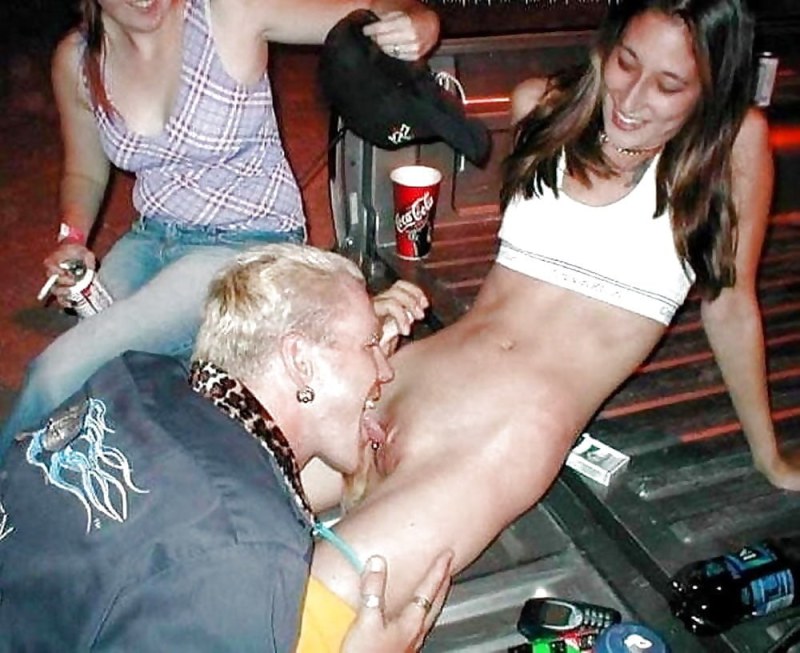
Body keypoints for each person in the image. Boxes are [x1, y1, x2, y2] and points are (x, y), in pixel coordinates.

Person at [303, 0, 800, 623]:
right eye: (626, 63)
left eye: (669, 85)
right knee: (216, 497)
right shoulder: (543, 106)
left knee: (314, 606)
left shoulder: (732, 145)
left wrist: (768, 457)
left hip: (501, 437)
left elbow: (730, 306)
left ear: (712, 88)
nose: (633, 99)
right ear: (607, 47)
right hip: (406, 377)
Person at [0, 0, 440, 459]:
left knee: (59, 373)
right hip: (151, 237)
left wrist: (419, 20)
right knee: (102, 376)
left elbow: (370, 11)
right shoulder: (78, 58)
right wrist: (71, 238)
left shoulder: (228, 11)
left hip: (247, 245)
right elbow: (85, 171)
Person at [0, 243, 449, 652]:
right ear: (300, 360)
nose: (386, 372)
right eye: (370, 346)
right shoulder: (245, 555)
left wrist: (358, 344)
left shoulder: (138, 378)